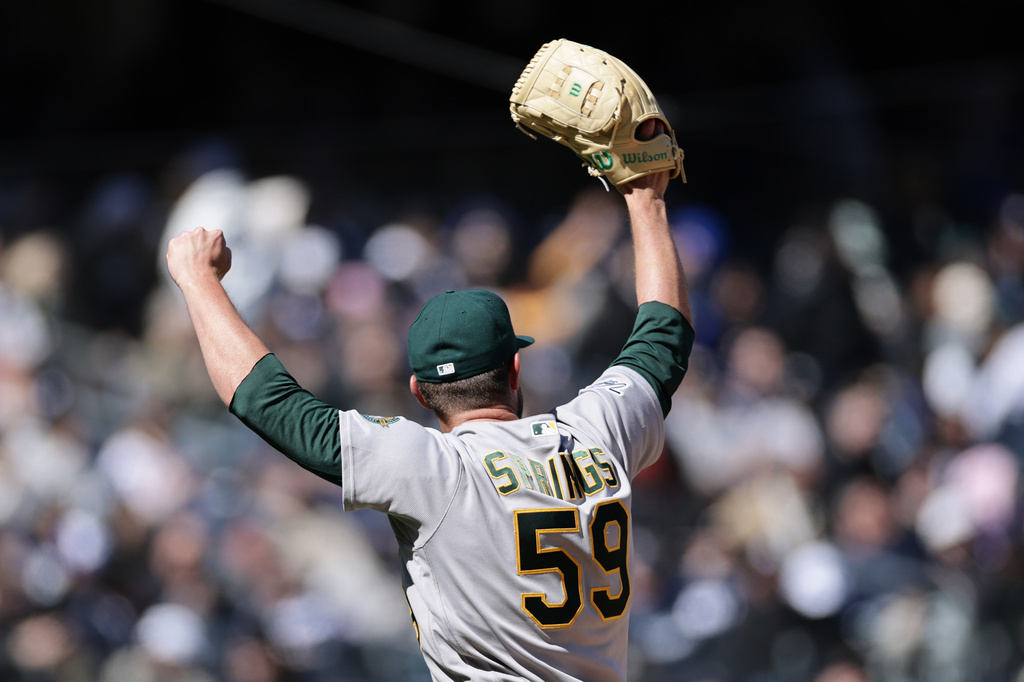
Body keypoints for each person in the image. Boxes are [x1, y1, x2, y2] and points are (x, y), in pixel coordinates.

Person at [165, 166, 694, 681]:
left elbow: (268, 402)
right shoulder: (596, 433)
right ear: (514, 366)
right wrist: (645, 197)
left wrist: (198, 281)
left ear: (419, 392)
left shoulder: (434, 470)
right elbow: (663, 337)